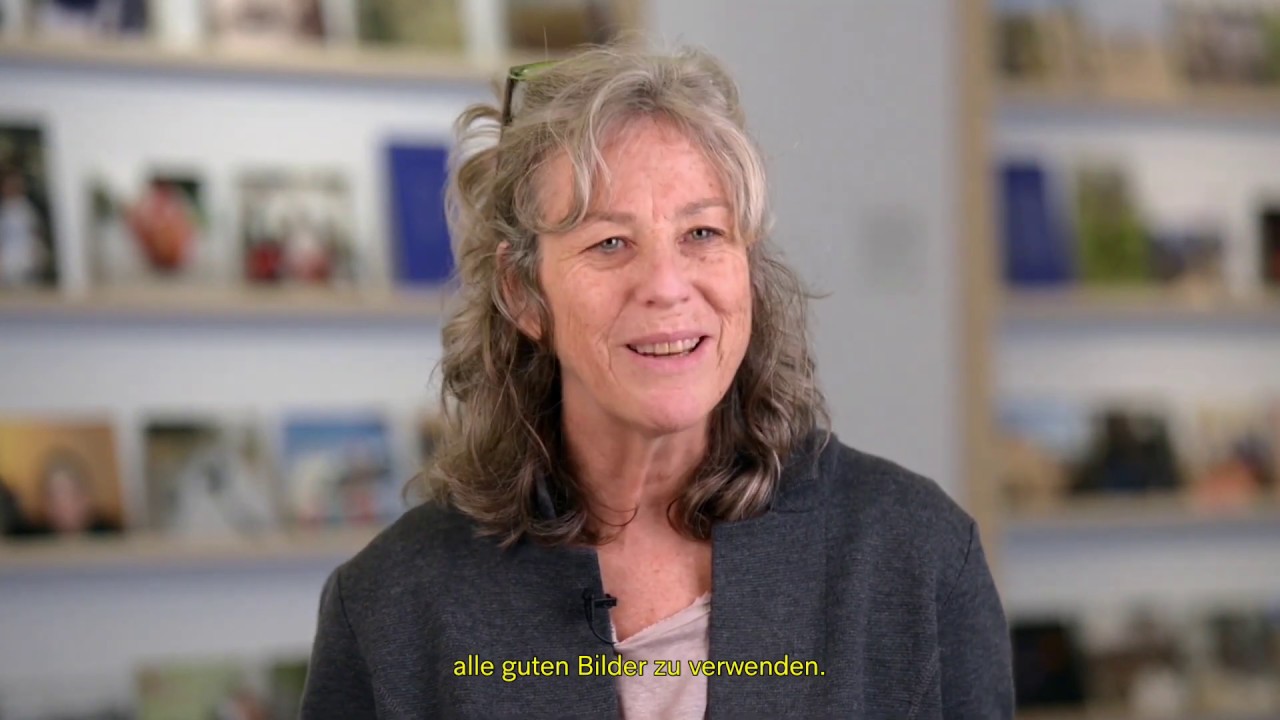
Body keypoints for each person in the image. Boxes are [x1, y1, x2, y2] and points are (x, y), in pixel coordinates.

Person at [301, 43, 1012, 718]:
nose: (668, 287)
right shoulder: (391, 606)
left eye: (702, 234)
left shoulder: (915, 556)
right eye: (610, 243)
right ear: (523, 294)